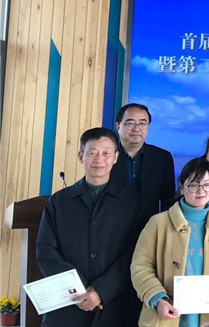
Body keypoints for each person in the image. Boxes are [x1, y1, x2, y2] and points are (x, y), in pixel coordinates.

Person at [36, 128, 143, 327]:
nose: (99, 159)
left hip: (115, 305)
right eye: (92, 152)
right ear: (81, 156)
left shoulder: (131, 202)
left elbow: (135, 253)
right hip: (67, 304)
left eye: (106, 153)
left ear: (115, 158)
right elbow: (45, 251)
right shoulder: (59, 202)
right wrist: (79, 288)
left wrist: (101, 290)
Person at [131, 157, 209, 327]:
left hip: (208, 318)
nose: (201, 191)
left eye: (207, 185)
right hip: (165, 316)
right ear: (182, 187)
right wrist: (158, 299)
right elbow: (140, 266)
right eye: (193, 185)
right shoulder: (158, 223)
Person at [111, 102, 175, 219]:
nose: (136, 128)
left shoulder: (162, 158)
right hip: (111, 226)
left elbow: (168, 199)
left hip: (149, 226)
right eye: (130, 123)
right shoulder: (106, 156)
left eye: (142, 123)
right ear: (118, 126)